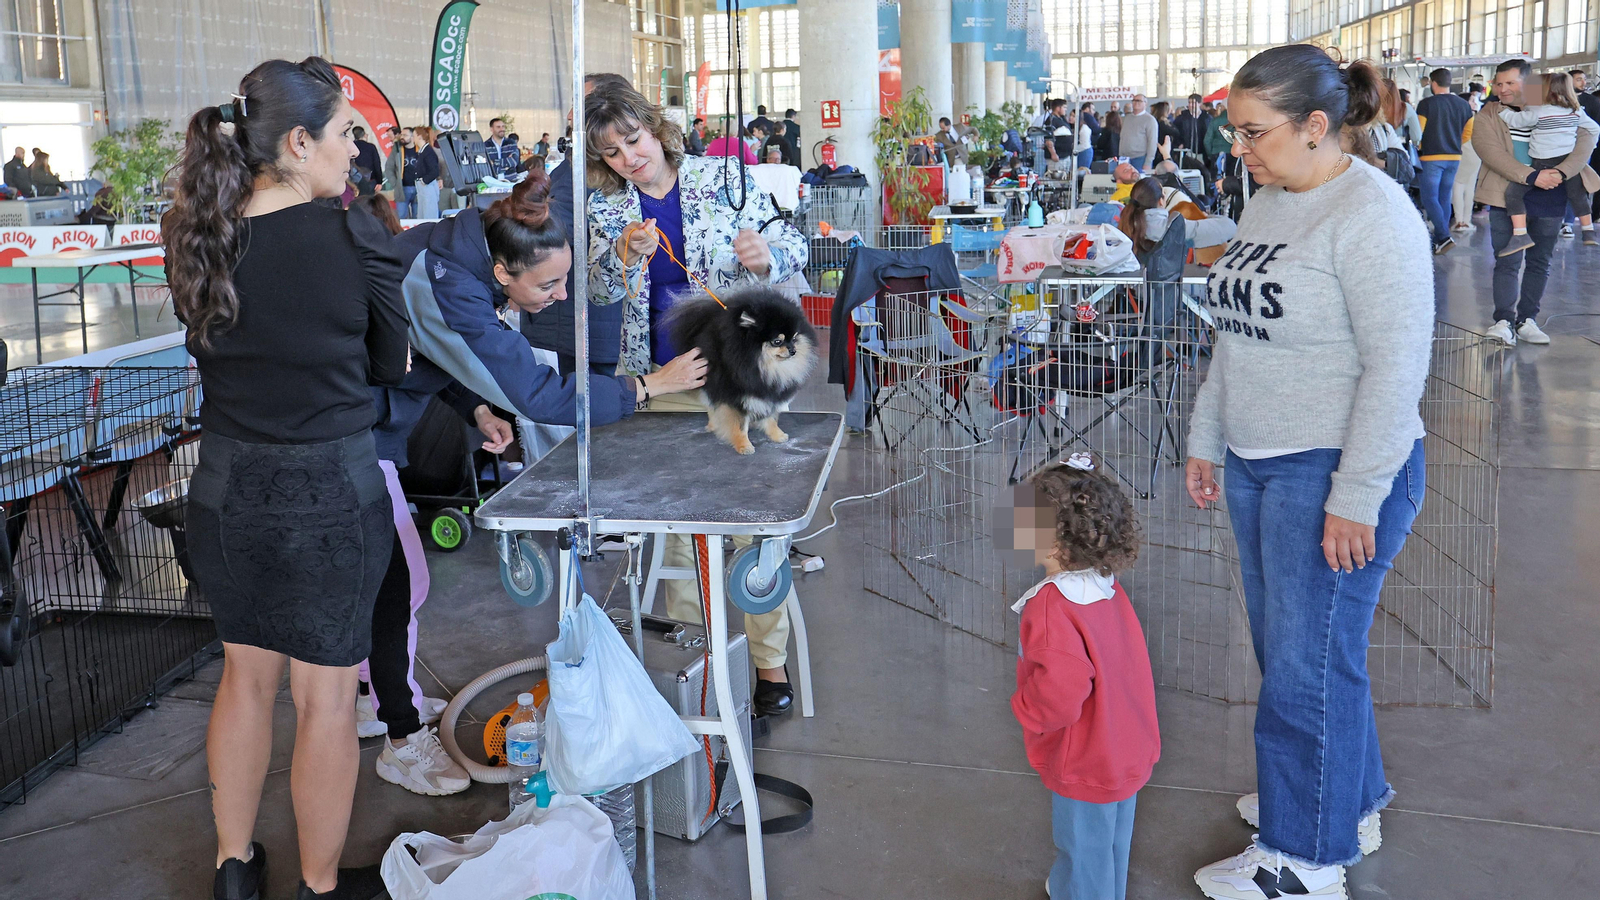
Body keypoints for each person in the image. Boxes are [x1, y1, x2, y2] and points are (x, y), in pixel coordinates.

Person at [1188, 45, 1433, 900]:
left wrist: (1355, 494)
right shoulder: (1267, 200)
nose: (1241, 151)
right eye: (1236, 133)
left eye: (1254, 134)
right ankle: (1342, 801)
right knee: (1302, 655)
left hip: (1333, 469)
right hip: (1260, 463)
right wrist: (1206, 436)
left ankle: (1303, 859)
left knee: (1304, 667)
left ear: (1317, 126)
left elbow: (1397, 371)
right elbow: (1236, 335)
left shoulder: (1374, 216)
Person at [163, 56, 408, 900]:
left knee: (244, 676)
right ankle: (316, 885)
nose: (354, 151)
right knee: (326, 700)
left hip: (226, 491)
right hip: (332, 495)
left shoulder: (199, 237)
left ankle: (233, 871)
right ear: (299, 143)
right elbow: (392, 361)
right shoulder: (353, 234)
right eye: (345, 134)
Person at [584, 80, 809, 717]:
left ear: (656, 128)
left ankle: (769, 664)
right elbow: (597, 292)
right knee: (680, 537)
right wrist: (622, 260)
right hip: (662, 383)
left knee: (752, 529)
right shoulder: (606, 211)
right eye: (613, 151)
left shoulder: (724, 178)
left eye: (634, 139)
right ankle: (700, 664)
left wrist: (765, 256)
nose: (630, 156)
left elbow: (794, 245)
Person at [1005, 457, 1158, 900]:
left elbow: (1062, 691)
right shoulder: (1106, 587)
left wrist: (1025, 708)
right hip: (1126, 740)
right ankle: (1084, 886)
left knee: (1082, 840)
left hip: (1085, 753)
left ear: (1055, 543)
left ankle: (1084, 891)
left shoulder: (1051, 608)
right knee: (1112, 839)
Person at [1472, 57, 1600, 346]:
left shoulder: (1562, 109)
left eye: (1510, 83)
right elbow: (1490, 151)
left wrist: (1561, 172)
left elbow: (1586, 141)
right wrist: (1532, 177)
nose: (1502, 88)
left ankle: (1526, 319)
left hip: (1551, 196)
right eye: (1498, 82)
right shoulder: (1490, 113)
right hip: (1507, 196)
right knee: (1507, 259)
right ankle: (1503, 320)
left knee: (1540, 261)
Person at [522, 71, 632, 379]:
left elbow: (548, 239)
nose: (570, 114)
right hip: (582, 327)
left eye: (580, 105)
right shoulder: (576, 167)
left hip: (596, 329)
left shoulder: (591, 173)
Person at [1496, 72, 1599, 252]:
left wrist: (1502, 110)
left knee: (1513, 194)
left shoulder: (1538, 111)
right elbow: (1594, 128)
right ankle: (1588, 230)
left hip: (1542, 162)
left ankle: (1520, 234)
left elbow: (1516, 121)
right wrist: (1591, 146)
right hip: (1568, 161)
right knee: (1577, 195)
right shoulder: (1575, 111)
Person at [1415, 67, 1475, 253]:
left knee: (1429, 197)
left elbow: (1419, 133)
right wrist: (1455, 143)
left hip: (1431, 157)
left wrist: (1419, 148)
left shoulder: (1426, 104)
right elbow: (1468, 132)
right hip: (1454, 157)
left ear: (1433, 83)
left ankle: (1443, 236)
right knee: (1443, 197)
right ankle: (1439, 239)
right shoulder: (1464, 105)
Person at [1119, 175, 1237, 251]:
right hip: (1171, 285)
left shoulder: (1126, 224)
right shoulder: (1174, 227)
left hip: (1136, 287)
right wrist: (1207, 217)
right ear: (1161, 201)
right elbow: (1230, 227)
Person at [1119, 94, 1159, 171]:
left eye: (1139, 101)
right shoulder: (1126, 118)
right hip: (1124, 159)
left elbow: (1152, 142)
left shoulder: (1150, 120)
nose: (1136, 102)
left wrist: (1148, 162)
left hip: (1140, 159)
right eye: (1134, 100)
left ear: (1145, 104)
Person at [349, 126, 381, 196]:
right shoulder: (371, 147)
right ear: (364, 135)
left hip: (353, 179)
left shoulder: (350, 146)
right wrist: (379, 181)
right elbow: (377, 164)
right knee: (368, 202)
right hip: (369, 179)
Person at [384, 127, 407, 212]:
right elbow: (390, 167)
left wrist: (395, 183)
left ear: (397, 135)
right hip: (400, 184)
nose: (389, 139)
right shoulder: (395, 147)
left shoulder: (398, 147)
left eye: (390, 136)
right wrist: (395, 183)